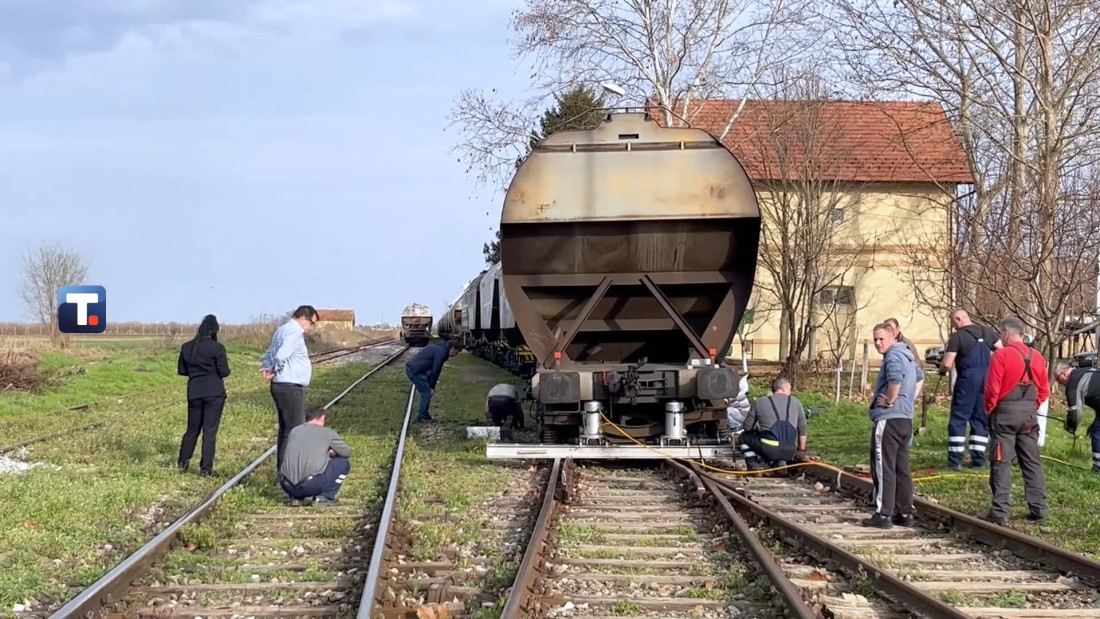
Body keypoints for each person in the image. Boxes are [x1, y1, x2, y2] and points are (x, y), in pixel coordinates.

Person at [982, 316, 1049, 525]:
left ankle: (1000, 511)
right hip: (1028, 416)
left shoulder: (1001, 355)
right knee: (1031, 461)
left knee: (1001, 462)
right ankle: (1038, 507)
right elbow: (1044, 390)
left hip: (1004, 416)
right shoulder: (1037, 356)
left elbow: (992, 389)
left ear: (1006, 333)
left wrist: (990, 409)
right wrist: (1031, 407)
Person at [864, 323, 918, 529]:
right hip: (905, 418)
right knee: (901, 467)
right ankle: (904, 512)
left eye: (881, 339)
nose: (878, 343)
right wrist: (907, 401)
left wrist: (889, 400)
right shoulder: (908, 355)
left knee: (883, 466)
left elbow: (895, 378)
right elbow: (919, 378)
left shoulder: (894, 356)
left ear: (892, 337)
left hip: (889, 418)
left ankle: (883, 513)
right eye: (875, 339)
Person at [939, 309, 1002, 470]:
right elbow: (1002, 351)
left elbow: (947, 363)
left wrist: (942, 371)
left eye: (954, 323)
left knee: (959, 418)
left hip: (967, 380)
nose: (954, 326)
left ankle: (955, 460)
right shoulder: (987, 332)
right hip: (986, 381)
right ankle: (979, 460)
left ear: (959, 320)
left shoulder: (958, 337)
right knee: (980, 419)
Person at [261, 305, 319, 469]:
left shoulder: (282, 330)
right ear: (302, 318)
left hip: (281, 385)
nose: (311, 327)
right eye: (311, 323)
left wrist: (267, 367)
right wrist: (274, 370)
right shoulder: (295, 332)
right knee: (295, 430)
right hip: (289, 386)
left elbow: (269, 354)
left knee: (286, 431)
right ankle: (290, 471)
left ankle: (283, 470)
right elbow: (280, 355)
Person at [176, 314, 231, 476]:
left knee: (192, 429)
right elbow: (224, 371)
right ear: (215, 330)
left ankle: (182, 464)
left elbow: (181, 370)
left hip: (194, 391)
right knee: (209, 431)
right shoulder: (217, 348)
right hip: (214, 392)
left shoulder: (187, 347)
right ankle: (205, 469)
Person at [278, 406, 351, 506]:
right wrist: (330, 453)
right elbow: (346, 452)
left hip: (287, 485)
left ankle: (296, 498)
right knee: (343, 463)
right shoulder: (327, 433)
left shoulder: (294, 431)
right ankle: (325, 497)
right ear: (322, 417)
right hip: (311, 485)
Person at [738, 377, 807, 471]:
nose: (790, 392)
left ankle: (755, 467)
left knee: (743, 437)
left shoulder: (759, 402)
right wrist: (801, 450)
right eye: (789, 389)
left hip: (769, 449)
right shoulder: (796, 402)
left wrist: (758, 428)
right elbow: (802, 429)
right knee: (780, 443)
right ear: (783, 388)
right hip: (790, 450)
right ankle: (779, 462)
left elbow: (747, 427)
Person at [1054, 362, 1100, 473]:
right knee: (1096, 428)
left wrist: (1070, 426)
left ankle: (1098, 467)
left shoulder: (1073, 383)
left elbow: (1076, 414)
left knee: (1097, 434)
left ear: (1064, 373)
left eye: (1059, 379)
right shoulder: (1085, 370)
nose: (1060, 384)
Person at [404, 339, 463, 422]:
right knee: (427, 392)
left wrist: (431, 383)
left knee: (426, 391)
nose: (455, 355)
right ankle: (422, 417)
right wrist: (432, 386)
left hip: (415, 368)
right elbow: (436, 369)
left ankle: (425, 414)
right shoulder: (442, 353)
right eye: (456, 352)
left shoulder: (441, 347)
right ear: (452, 348)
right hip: (415, 371)